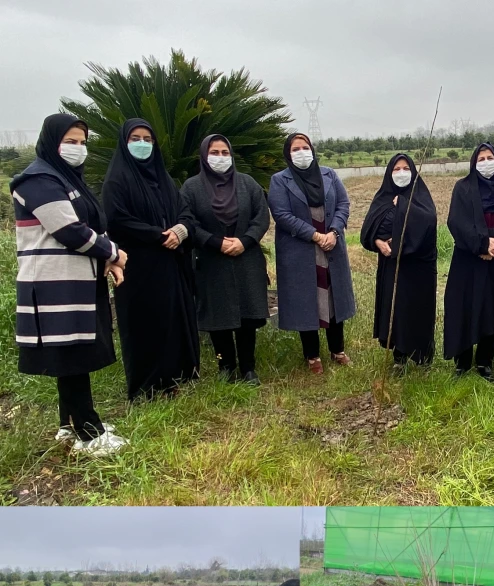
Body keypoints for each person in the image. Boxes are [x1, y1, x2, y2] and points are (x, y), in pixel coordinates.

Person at [10, 113, 129, 456]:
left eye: (82, 142)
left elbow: (94, 223)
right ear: (51, 142)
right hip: (54, 284)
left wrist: (108, 260)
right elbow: (70, 230)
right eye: (70, 142)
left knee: (74, 352)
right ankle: (89, 432)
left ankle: (70, 424)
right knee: (72, 355)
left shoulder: (67, 179)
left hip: (79, 280)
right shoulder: (36, 180)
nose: (78, 149)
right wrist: (116, 253)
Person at [102, 118, 200, 401]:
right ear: (124, 142)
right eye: (136, 138)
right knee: (144, 323)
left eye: (148, 139)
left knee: (171, 320)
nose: (142, 144)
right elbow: (118, 221)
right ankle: (145, 387)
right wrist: (158, 235)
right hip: (138, 265)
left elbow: (185, 212)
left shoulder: (164, 179)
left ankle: (172, 378)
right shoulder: (117, 180)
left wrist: (180, 231)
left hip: (171, 263)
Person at [179, 134, 271, 385]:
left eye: (224, 153)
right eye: (214, 153)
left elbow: (261, 217)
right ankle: (226, 366)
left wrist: (245, 240)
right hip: (211, 260)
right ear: (204, 156)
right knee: (218, 317)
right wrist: (215, 242)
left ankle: (248, 368)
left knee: (247, 315)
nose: (220, 158)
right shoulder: (191, 187)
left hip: (246, 257)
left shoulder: (248, 184)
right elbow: (188, 222)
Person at [268, 133, 355, 374]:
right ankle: (312, 355)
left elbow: (343, 205)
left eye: (305, 147)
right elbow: (281, 214)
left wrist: (334, 232)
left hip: (331, 245)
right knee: (306, 299)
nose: (301, 152)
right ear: (288, 153)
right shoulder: (279, 180)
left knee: (332, 296)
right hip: (301, 249)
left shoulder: (329, 174)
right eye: (295, 149)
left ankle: (338, 350)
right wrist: (315, 236)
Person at [443, 143, 494, 380]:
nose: (486, 162)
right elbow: (456, 221)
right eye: (481, 159)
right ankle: (462, 362)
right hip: (469, 261)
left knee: (491, 308)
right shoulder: (463, 188)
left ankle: (485, 362)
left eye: (490, 157)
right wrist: (481, 245)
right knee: (464, 308)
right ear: (473, 163)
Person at [361, 154, 438, 369]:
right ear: (389, 173)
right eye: (396, 169)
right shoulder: (382, 198)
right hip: (390, 265)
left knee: (416, 310)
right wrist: (378, 242)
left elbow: (428, 221)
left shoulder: (420, 197)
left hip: (417, 268)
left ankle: (422, 356)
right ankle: (399, 357)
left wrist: (403, 204)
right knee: (394, 310)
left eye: (406, 168)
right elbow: (368, 230)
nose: (401, 173)